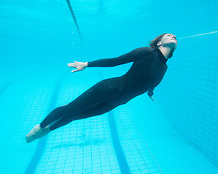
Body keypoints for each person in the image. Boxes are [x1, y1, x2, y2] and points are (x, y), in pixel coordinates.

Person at [25, 33, 178, 143]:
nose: (173, 36)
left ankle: (47, 130)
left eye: (175, 37)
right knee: (70, 109)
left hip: (116, 102)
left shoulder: (164, 68)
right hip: (110, 88)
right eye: (169, 35)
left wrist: (150, 93)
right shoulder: (147, 52)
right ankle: (40, 127)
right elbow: (115, 61)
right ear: (159, 43)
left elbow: (150, 83)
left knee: (76, 115)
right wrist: (87, 64)